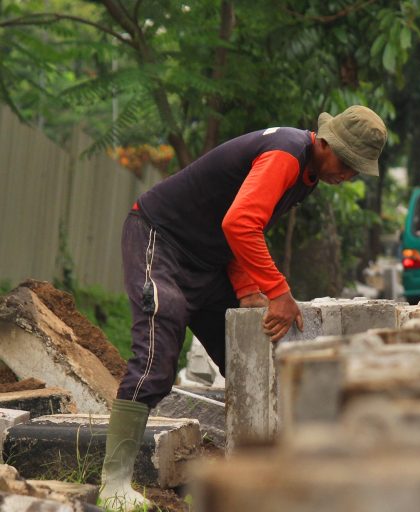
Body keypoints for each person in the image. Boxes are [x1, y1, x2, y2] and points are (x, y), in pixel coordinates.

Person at [98, 105, 387, 509]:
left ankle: (269, 476)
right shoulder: (285, 154)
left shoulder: (307, 173)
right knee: (157, 353)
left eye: (357, 168)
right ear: (324, 143)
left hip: (208, 261)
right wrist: (278, 292)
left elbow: (238, 226)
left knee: (247, 356)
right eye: (348, 162)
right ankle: (113, 484)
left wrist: (250, 289)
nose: (349, 174)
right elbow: (240, 223)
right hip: (160, 239)